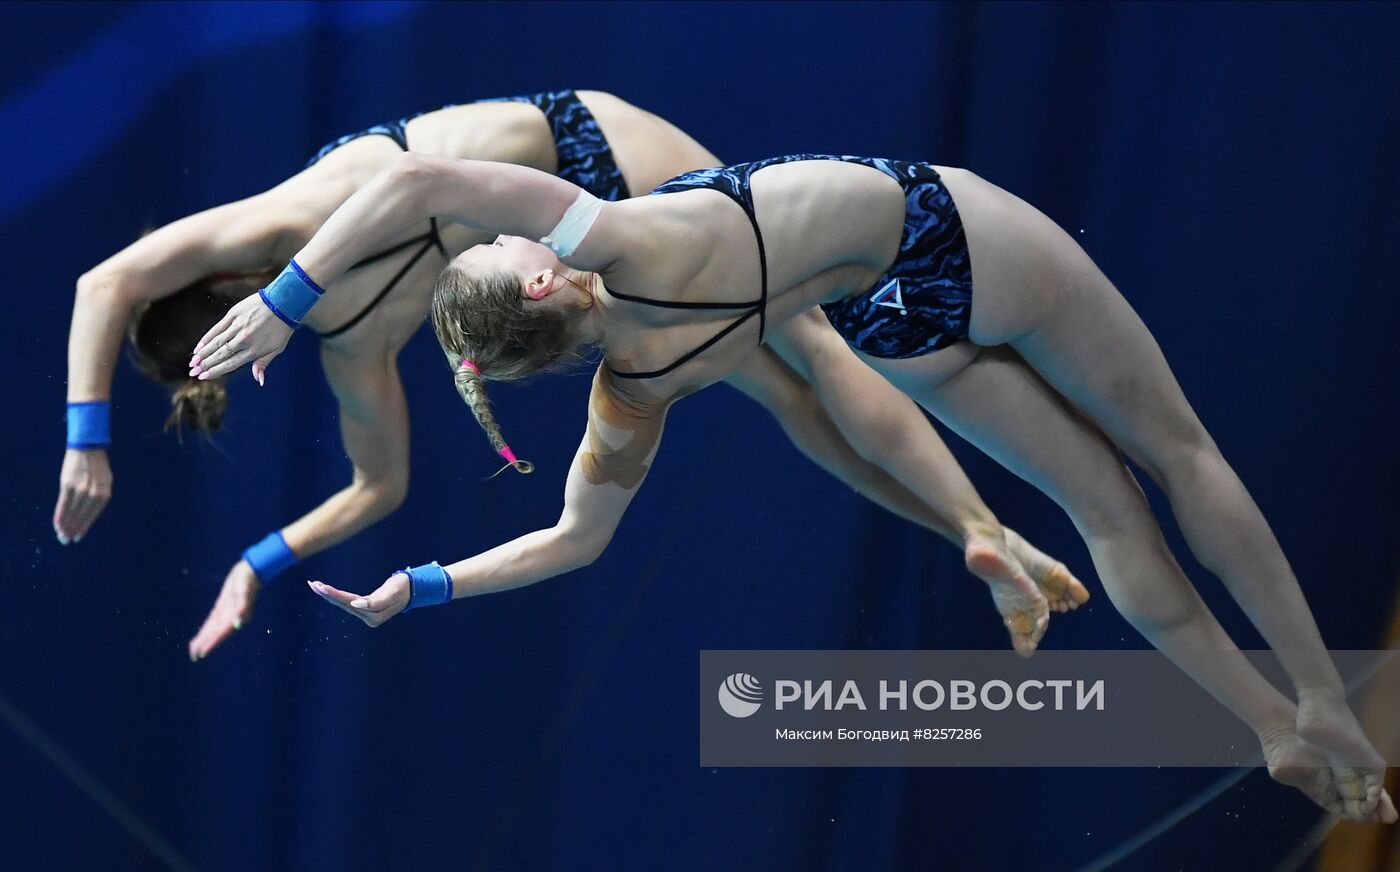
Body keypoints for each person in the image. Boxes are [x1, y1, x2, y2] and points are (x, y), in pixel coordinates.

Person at [190, 150, 1395, 822]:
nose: (504, 236)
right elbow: (411, 185)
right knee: (1177, 455)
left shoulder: (631, 389)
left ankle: (1263, 724)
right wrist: (282, 301)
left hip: (892, 329)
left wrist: (428, 583)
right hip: (946, 235)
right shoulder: (608, 234)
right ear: (544, 287)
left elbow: (570, 538)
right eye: (505, 252)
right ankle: (1314, 692)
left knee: (1101, 509)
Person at [58, 92, 1082, 661]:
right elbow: (105, 280)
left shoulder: (349, 348)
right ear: (220, 285)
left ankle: (983, 537)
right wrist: (85, 438)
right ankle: (987, 530)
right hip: (584, 164)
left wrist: (260, 556)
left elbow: (378, 488)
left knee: (784, 384)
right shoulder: (279, 233)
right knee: (805, 349)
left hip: (568, 181)